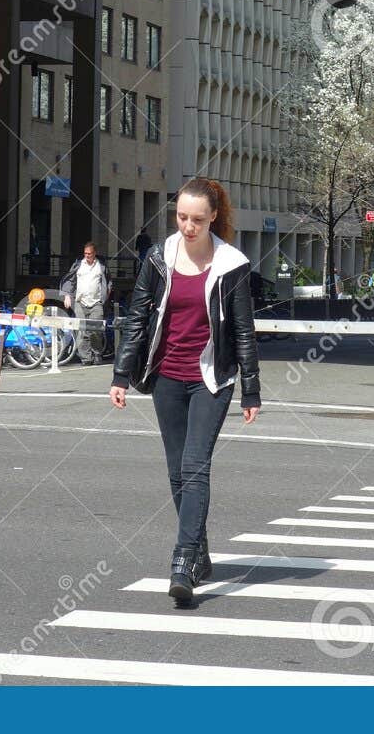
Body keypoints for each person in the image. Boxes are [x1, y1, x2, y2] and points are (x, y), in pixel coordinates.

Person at [110, 177, 261, 607]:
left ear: (213, 216)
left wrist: (251, 390)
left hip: (211, 379)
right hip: (166, 378)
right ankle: (200, 550)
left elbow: (243, 332)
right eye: (181, 217)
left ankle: (182, 562)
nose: (188, 226)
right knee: (177, 471)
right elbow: (138, 318)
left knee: (195, 466)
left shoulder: (232, 264)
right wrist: (121, 376)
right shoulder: (159, 258)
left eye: (197, 219)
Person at [61, 241, 110, 364]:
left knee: (96, 329)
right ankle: (86, 358)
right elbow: (70, 281)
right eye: (85, 253)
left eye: (89, 253)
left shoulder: (101, 266)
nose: (87, 256)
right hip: (80, 302)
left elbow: (109, 281)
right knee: (82, 331)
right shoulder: (78, 265)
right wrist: (67, 295)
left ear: (95, 253)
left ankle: (97, 353)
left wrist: (107, 293)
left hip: (96, 303)